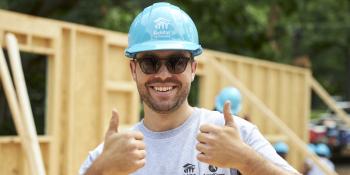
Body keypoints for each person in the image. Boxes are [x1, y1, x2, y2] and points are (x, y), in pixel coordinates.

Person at [79, 2, 300, 175]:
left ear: (193, 68)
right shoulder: (112, 156)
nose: (164, 74)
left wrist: (245, 160)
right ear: (133, 69)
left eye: (177, 62)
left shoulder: (234, 137)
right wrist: (100, 170)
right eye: (149, 62)